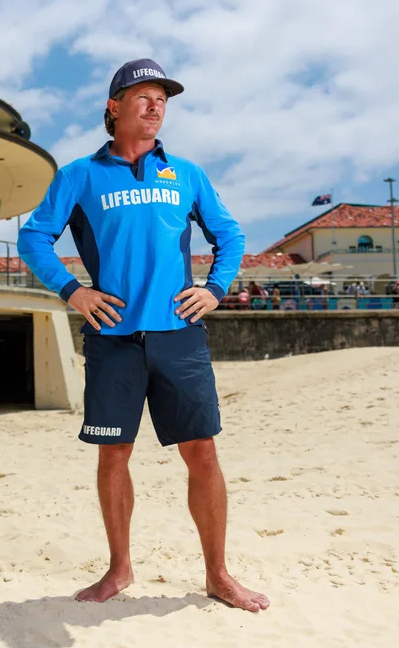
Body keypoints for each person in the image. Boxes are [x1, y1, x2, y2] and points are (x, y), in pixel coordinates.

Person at [17, 58, 270, 613]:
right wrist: (72, 291)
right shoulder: (81, 175)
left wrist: (216, 288)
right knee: (114, 456)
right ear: (113, 107)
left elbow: (230, 235)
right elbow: (33, 238)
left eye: (162, 98)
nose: (155, 106)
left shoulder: (186, 174)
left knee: (202, 453)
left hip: (180, 335)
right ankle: (119, 568)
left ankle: (218, 575)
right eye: (142, 96)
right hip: (113, 337)